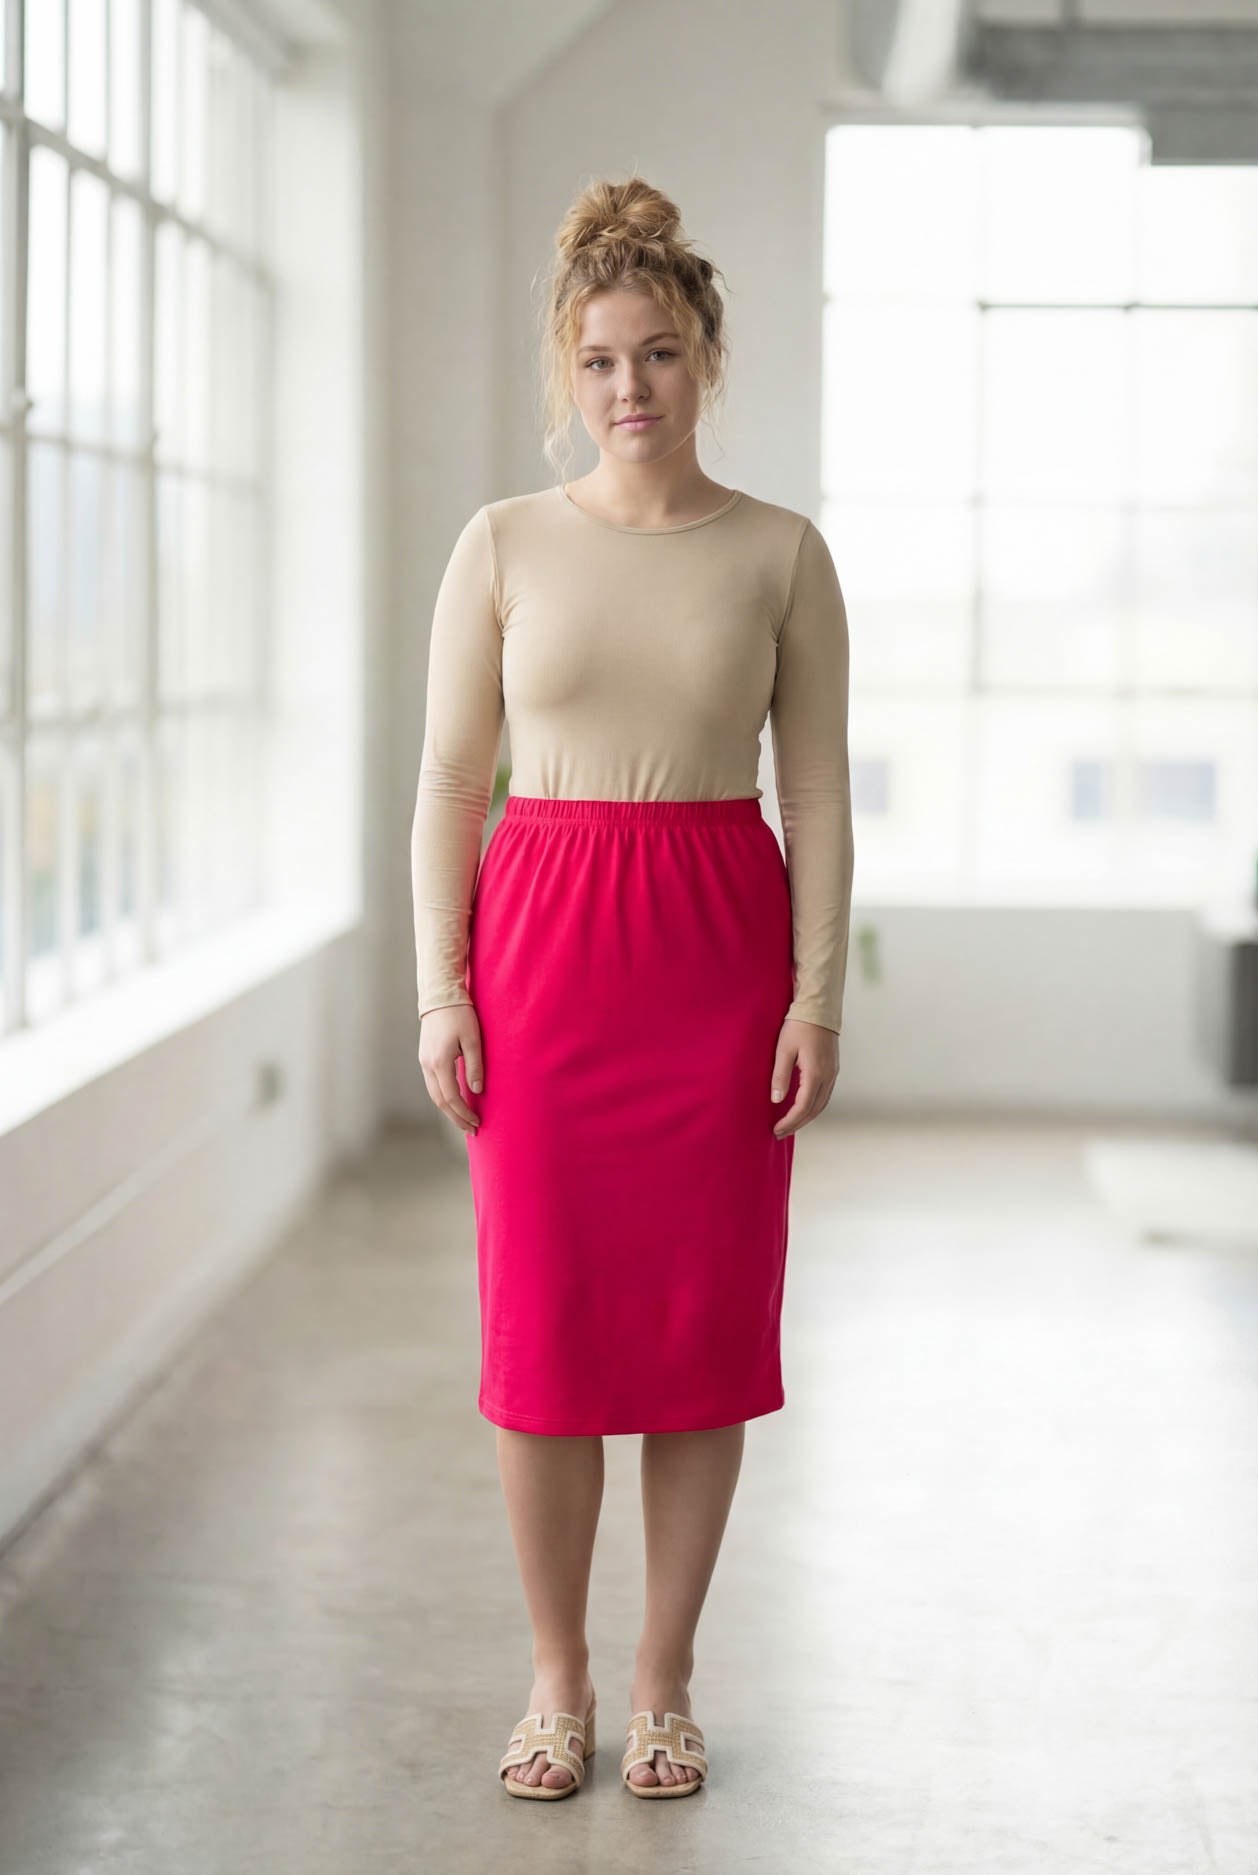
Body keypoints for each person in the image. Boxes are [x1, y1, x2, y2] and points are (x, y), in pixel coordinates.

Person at [410, 174, 854, 1802]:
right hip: (540, 960)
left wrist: (814, 997)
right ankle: (558, 1680)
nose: (630, 388)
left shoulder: (781, 553)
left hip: (714, 957)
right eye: (598, 361)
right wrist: (440, 990)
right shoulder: (502, 543)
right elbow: (452, 783)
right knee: (543, 1338)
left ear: (704, 357)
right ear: (566, 371)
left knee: (694, 1332)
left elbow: (818, 792)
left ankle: (664, 1683)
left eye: (657, 353)